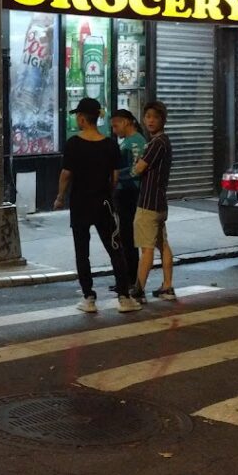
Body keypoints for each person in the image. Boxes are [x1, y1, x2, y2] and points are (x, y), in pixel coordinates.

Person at [53, 97, 142, 315]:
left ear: (83, 119)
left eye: (78, 116)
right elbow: (113, 178)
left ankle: (89, 298)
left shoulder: (73, 144)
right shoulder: (110, 144)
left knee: (82, 252)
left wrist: (60, 197)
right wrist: (107, 193)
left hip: (80, 203)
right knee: (115, 249)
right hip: (104, 204)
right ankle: (124, 296)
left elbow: (66, 174)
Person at [130, 100, 176, 302]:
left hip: (148, 203)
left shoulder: (157, 143)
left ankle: (139, 290)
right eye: (147, 116)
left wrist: (135, 165)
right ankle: (167, 287)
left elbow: (139, 168)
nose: (150, 121)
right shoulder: (165, 142)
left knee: (146, 247)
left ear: (162, 120)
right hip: (160, 203)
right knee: (162, 244)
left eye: (155, 117)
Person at [109, 108, 146, 288]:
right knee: (124, 237)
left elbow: (135, 171)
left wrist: (113, 177)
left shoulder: (135, 142)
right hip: (124, 193)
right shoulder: (130, 141)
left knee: (128, 237)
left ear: (125, 122)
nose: (115, 131)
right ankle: (127, 278)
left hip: (129, 194)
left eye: (116, 126)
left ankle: (130, 279)